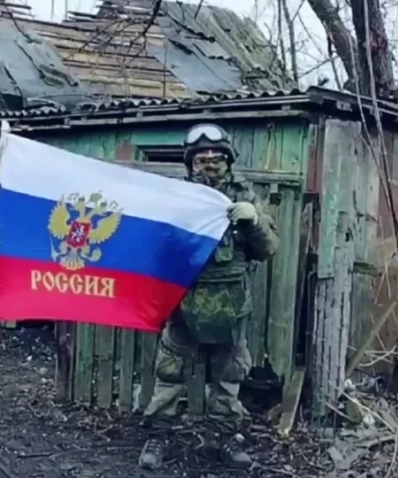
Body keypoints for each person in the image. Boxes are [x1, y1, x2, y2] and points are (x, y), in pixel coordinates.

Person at [137, 123, 279, 470]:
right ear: (191, 163)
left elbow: (269, 248)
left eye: (217, 159)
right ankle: (158, 436)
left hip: (231, 304)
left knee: (228, 376)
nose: (210, 165)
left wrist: (253, 221)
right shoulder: (178, 197)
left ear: (228, 162)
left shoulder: (245, 197)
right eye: (202, 159)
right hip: (184, 301)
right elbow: (154, 246)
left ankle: (224, 437)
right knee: (170, 373)